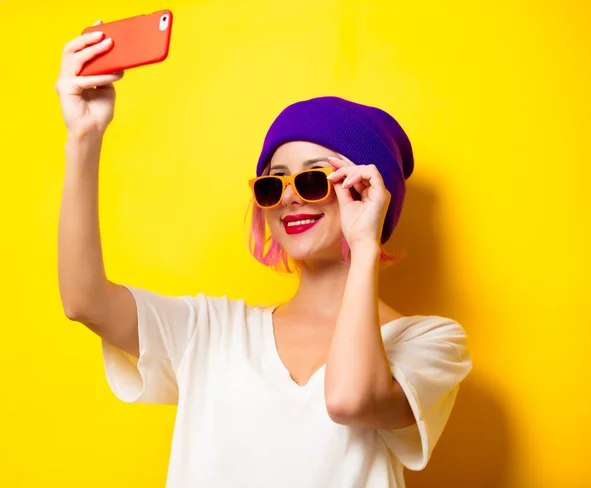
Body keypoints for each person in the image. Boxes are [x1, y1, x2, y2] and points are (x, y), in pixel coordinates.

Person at [56, 29, 472, 488]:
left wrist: (365, 244)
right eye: (274, 184)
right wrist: (84, 137)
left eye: (315, 179)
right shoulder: (211, 329)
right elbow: (84, 302)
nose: (290, 198)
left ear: (366, 191)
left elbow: (352, 400)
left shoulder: (430, 343)